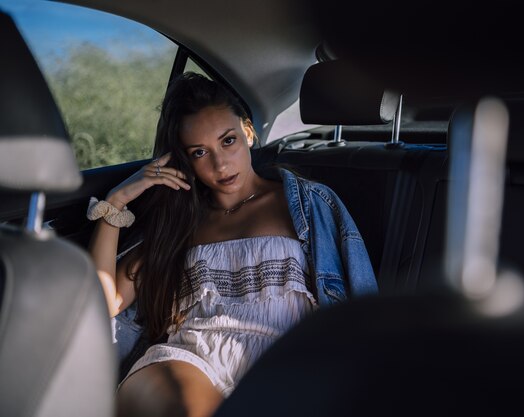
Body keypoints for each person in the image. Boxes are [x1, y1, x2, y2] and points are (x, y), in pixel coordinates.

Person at [87, 71, 378, 417]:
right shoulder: (179, 221)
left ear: (248, 132)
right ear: (184, 161)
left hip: (287, 363)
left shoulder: (309, 204)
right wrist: (114, 205)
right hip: (191, 360)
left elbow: (363, 306)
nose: (220, 164)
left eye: (228, 141)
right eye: (199, 152)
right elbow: (101, 301)